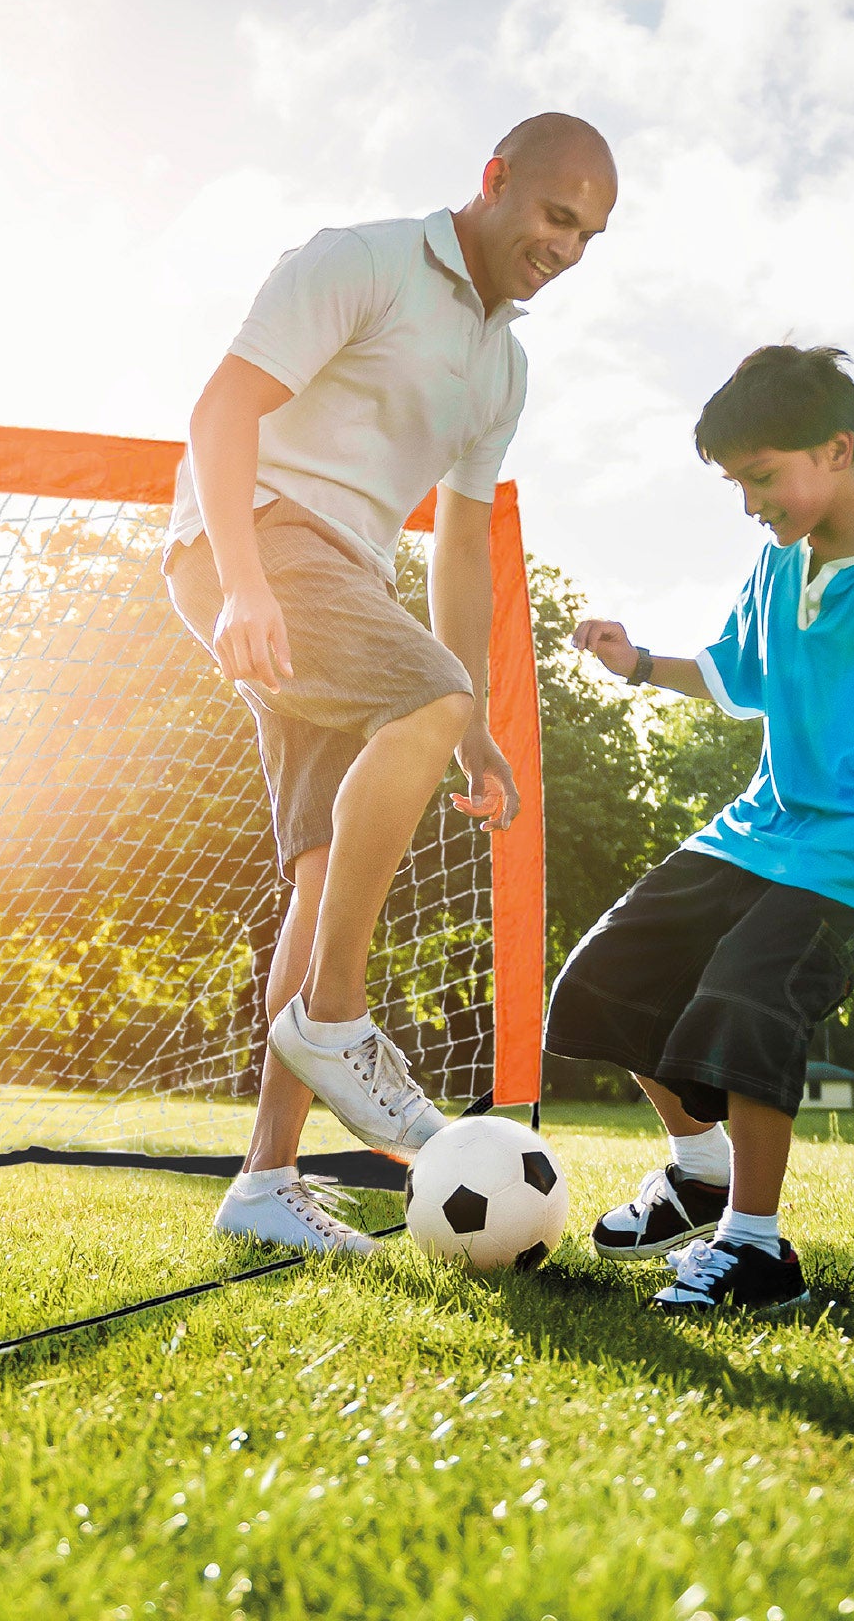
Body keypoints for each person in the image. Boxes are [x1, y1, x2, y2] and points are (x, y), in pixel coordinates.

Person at [165, 113, 618, 1254]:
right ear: (494, 180)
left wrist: (465, 724)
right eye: (556, 216)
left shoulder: (501, 366)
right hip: (257, 541)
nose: (565, 247)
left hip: (347, 579)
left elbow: (458, 548)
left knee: (322, 865)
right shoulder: (359, 261)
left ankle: (264, 1183)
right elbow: (220, 410)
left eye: (589, 234)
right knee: (421, 700)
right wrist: (243, 582)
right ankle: (332, 1016)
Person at [547, 345, 854, 1317]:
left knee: (745, 996)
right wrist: (637, 662)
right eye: (735, 482)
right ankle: (699, 1171)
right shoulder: (774, 562)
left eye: (760, 476)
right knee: (605, 973)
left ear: (837, 448)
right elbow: (738, 673)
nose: (748, 501)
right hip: (756, 829)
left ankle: (755, 1246)